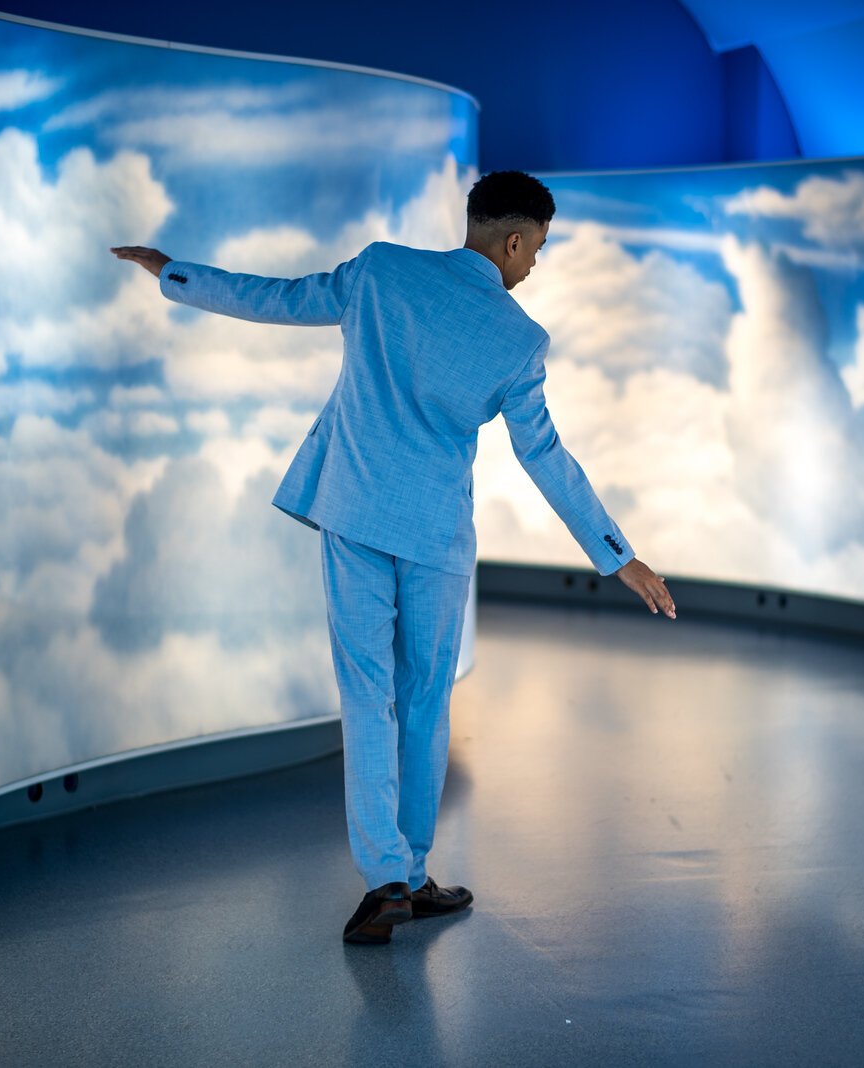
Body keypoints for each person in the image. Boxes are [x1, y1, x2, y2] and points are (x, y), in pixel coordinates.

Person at [111, 170, 675, 945]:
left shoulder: (380, 271)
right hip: (437, 539)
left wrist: (175, 274)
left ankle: (387, 881)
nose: (534, 266)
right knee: (424, 702)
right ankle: (409, 871)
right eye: (537, 249)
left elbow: (279, 298)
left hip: (355, 515)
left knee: (367, 695)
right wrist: (620, 558)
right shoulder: (518, 341)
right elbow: (546, 456)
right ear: (513, 240)